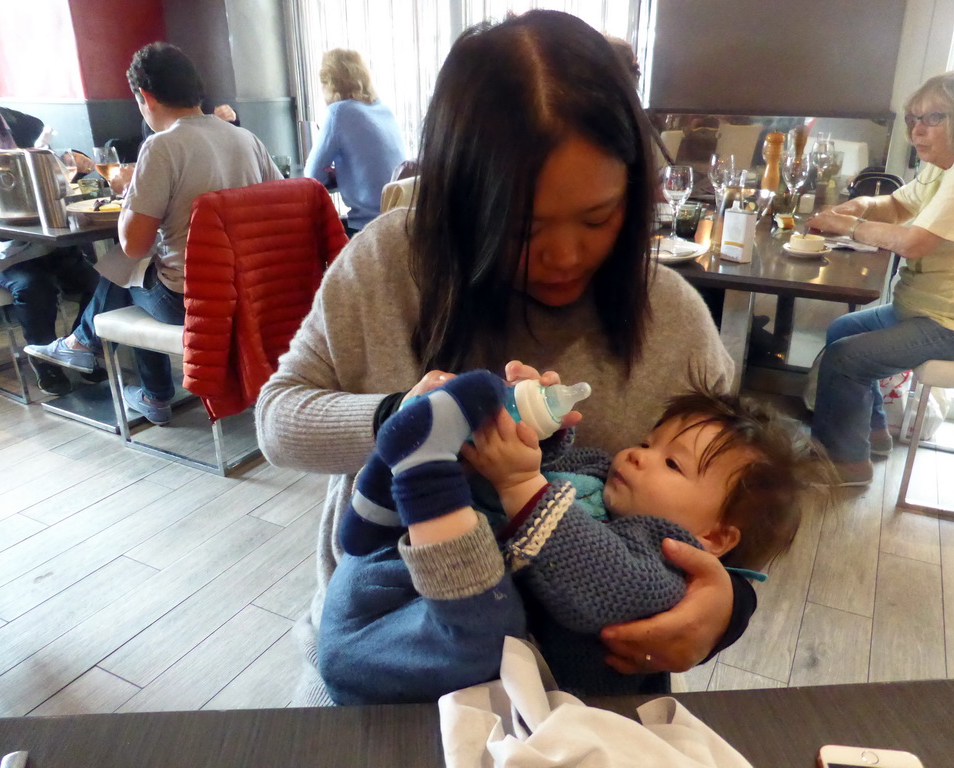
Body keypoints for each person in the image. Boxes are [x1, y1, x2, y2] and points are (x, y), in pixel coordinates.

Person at [257, 11, 750, 707]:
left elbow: (729, 510)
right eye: (522, 226)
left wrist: (724, 610)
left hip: (578, 703)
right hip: (380, 660)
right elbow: (278, 420)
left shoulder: (670, 319)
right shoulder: (390, 263)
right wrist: (408, 422)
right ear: (461, 198)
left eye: (598, 217)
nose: (565, 255)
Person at [319, 370, 829, 704]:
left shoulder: (667, 562)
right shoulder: (606, 479)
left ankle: (417, 471)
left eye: (671, 463)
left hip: (492, 687)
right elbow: (558, 471)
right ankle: (395, 479)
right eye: (648, 442)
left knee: (492, 615)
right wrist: (538, 434)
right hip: (390, 606)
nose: (636, 455)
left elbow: (600, 584)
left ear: (715, 535)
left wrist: (522, 484)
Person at [25, 42, 281, 424]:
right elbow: (279, 204)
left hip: (193, 303)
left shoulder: (161, 147)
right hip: (253, 292)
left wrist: (131, 193)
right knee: (138, 270)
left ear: (145, 97)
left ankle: (144, 387)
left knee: (129, 269)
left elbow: (133, 243)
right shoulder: (246, 139)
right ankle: (83, 345)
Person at [807, 70, 954, 486]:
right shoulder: (946, 162)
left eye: (934, 117)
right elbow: (898, 204)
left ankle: (844, 467)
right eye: (913, 117)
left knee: (847, 358)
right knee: (844, 328)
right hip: (925, 310)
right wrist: (858, 206)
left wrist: (848, 228)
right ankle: (871, 434)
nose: (918, 129)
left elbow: (915, 242)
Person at [0, 54, 99, 396]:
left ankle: (80, 349)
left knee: (103, 282)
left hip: (46, 240)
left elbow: (59, 173)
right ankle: (44, 359)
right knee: (33, 286)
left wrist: (73, 163)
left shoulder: (26, 125)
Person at [302, 48, 405, 235]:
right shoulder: (384, 110)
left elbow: (311, 176)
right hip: (400, 220)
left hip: (369, 227)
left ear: (329, 84)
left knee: (318, 237)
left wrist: (335, 176)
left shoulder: (339, 113)